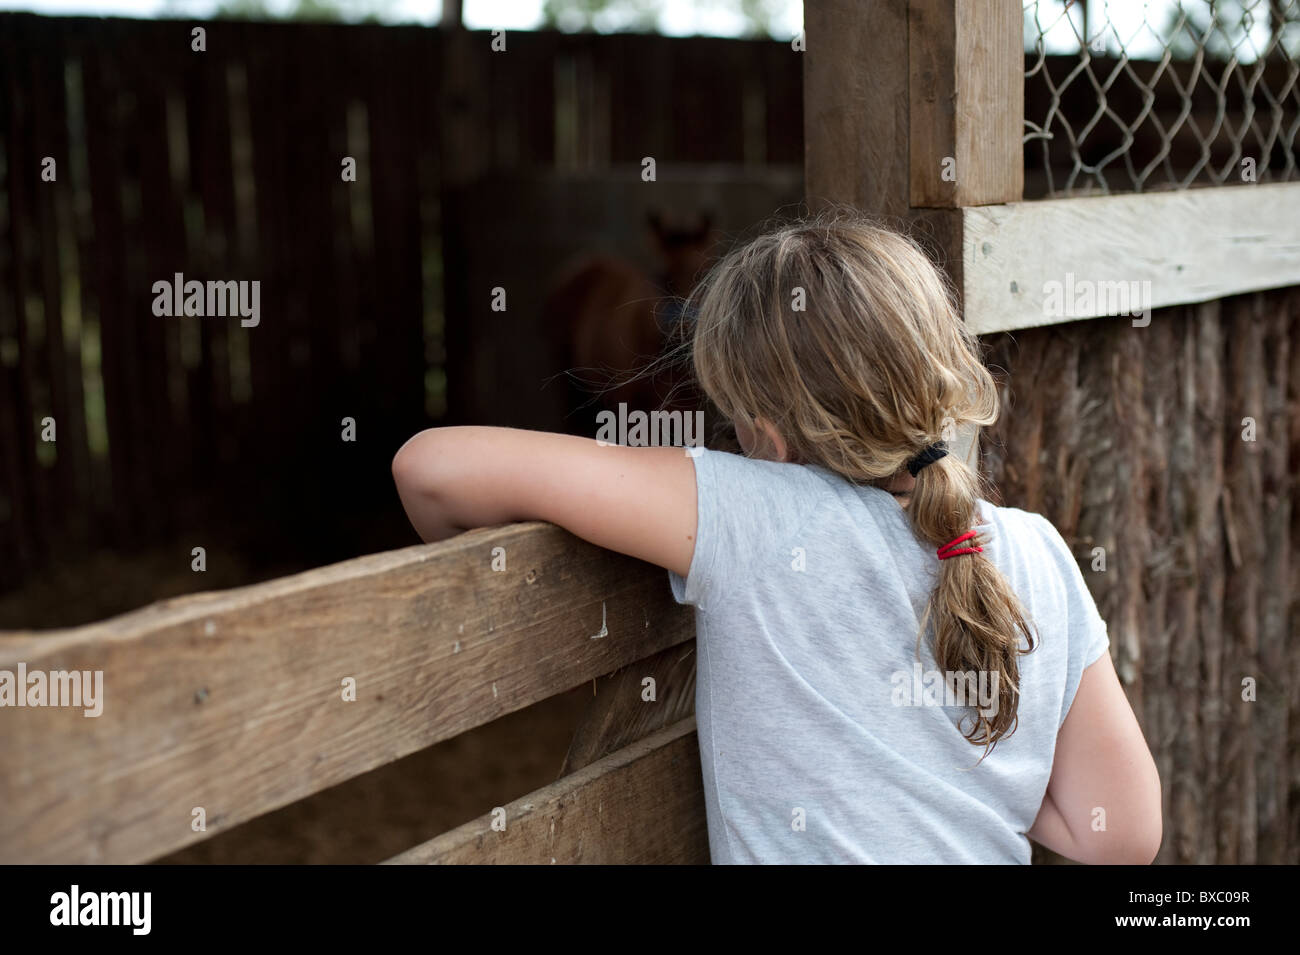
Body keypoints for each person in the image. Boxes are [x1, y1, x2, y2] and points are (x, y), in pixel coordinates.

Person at [391, 211, 1162, 865]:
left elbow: (430, 468)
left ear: (764, 431)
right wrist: (956, 786)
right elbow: (1123, 836)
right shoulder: (1036, 549)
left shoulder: (751, 510)